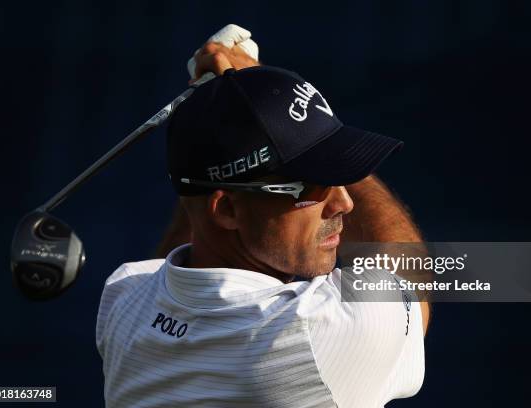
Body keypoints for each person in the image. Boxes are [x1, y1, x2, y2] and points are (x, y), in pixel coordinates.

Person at [96, 26, 429, 408]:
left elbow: (197, 209)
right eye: (312, 185)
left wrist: (231, 109)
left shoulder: (124, 297)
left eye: (337, 178)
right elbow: (408, 276)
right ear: (229, 210)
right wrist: (252, 80)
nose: (344, 203)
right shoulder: (323, 333)